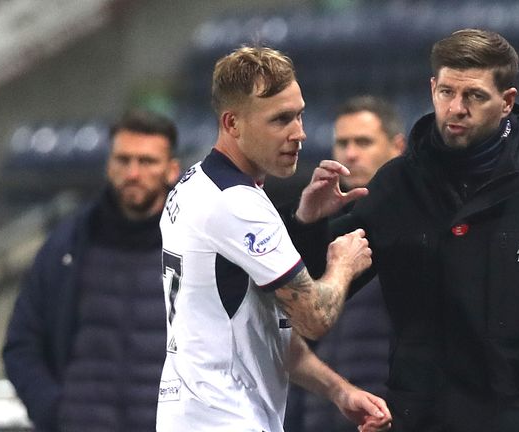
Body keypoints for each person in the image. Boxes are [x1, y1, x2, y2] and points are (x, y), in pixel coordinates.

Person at [285, 29, 519, 431]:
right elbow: (316, 286)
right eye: (446, 93)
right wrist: (309, 222)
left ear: (507, 102)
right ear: (432, 88)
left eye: (474, 96)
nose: (456, 108)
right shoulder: (399, 186)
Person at [155, 45, 392, 432]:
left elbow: (264, 332)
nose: (299, 133)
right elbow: (315, 318)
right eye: (280, 119)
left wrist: (339, 391)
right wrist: (342, 265)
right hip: (225, 419)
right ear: (232, 124)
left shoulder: (194, 183)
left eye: (299, 115)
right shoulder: (237, 203)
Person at [2, 109, 182, 432]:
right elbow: (21, 342)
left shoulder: (196, 247)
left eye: (147, 162)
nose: (133, 173)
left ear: (171, 170)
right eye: (123, 160)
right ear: (108, 166)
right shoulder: (67, 246)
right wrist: (55, 410)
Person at [285, 95, 405, 432]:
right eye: (343, 142)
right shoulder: (315, 233)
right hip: (319, 413)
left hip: (384, 414)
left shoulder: (413, 228)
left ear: (397, 147)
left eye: (364, 142)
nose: (351, 153)